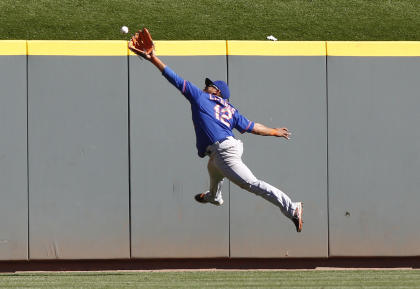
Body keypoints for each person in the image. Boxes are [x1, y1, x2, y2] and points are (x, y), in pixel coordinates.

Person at [129, 29, 303, 232]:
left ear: (218, 92)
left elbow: (174, 78)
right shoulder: (231, 110)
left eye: (210, 85)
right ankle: (214, 196)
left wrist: (152, 58)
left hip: (224, 151)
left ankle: (292, 208)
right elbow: (253, 127)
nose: (206, 86)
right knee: (213, 169)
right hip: (226, 148)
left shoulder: (201, 98)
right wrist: (273, 131)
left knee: (252, 184)